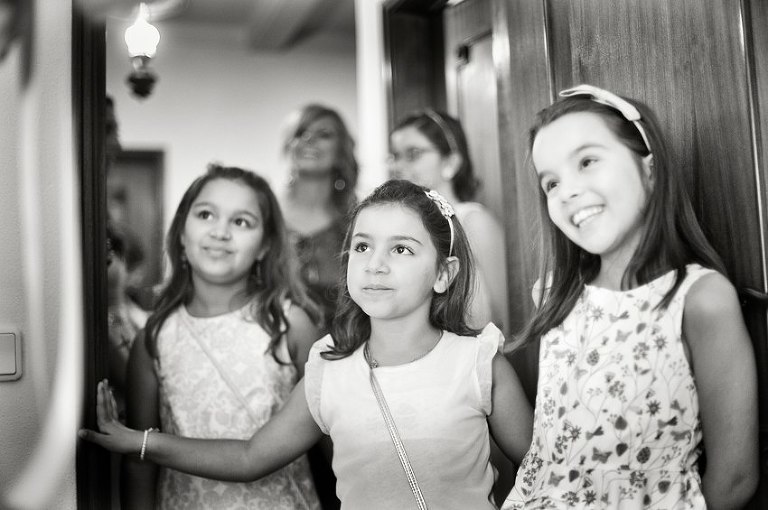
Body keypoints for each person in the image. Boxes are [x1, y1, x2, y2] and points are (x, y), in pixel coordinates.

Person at [80, 179, 534, 509]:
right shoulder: (328, 369)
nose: (375, 264)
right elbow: (250, 456)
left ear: (443, 274)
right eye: (361, 247)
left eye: (401, 250)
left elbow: (542, 467)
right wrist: (140, 442)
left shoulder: (478, 362)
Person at [502, 85, 759, 509]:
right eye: (551, 183)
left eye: (587, 161)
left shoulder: (700, 299)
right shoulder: (551, 294)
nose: (567, 191)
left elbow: (735, 479)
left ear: (650, 169)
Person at [115, 164, 323, 509]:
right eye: (206, 215)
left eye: (241, 222)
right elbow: (140, 461)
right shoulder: (155, 339)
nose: (220, 232)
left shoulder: (290, 325)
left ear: (264, 246)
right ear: (181, 233)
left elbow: (336, 444)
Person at [389, 109, 509, 333]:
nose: (398, 166)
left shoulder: (475, 222)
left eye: (413, 153)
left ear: (451, 162)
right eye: (395, 156)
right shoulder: (398, 231)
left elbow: (507, 316)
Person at [279, 103, 359, 330]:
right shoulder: (265, 215)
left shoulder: (358, 222)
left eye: (323, 134)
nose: (309, 141)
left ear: (341, 149)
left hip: (341, 352)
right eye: (300, 133)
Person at [106, 221, 149, 421]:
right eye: (108, 256)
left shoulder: (124, 311)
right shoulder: (104, 322)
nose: (115, 262)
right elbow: (134, 381)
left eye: (118, 254)